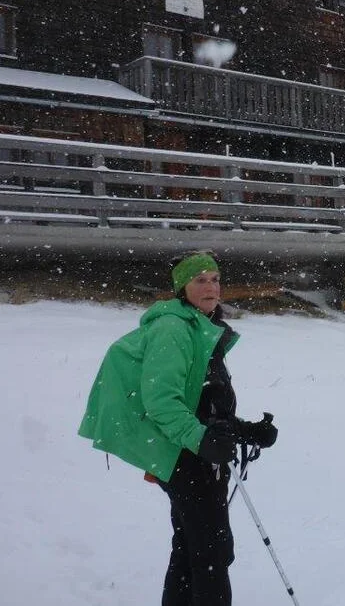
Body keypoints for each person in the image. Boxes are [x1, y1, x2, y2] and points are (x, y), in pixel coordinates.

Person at [78, 251, 279, 606]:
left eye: (215, 279)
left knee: (193, 547)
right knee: (211, 553)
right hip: (185, 456)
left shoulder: (200, 327)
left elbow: (204, 402)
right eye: (200, 280)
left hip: (194, 452)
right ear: (181, 288)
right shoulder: (173, 328)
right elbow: (163, 402)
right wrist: (203, 441)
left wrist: (245, 431)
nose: (210, 287)